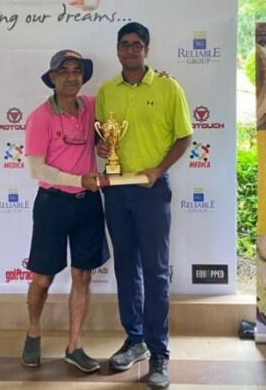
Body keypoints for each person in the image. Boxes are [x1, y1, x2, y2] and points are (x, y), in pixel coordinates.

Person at [96, 22, 193, 390]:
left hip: (151, 189)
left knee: (154, 271)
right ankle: (134, 340)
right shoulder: (106, 91)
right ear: (118, 50)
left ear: (147, 50)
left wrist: (158, 170)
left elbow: (184, 137)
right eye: (124, 44)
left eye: (137, 45)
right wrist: (103, 148)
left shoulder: (169, 87)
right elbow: (101, 134)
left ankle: (159, 353)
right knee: (125, 266)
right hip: (116, 190)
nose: (131, 50)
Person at [21, 49, 109, 373]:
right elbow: (36, 169)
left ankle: (74, 345)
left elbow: (123, 110)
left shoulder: (93, 106)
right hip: (53, 204)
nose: (72, 76)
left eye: (77, 70)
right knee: (43, 278)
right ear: (53, 78)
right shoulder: (40, 117)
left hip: (87, 205)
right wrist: (78, 179)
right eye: (64, 71)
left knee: (83, 275)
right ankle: (33, 331)